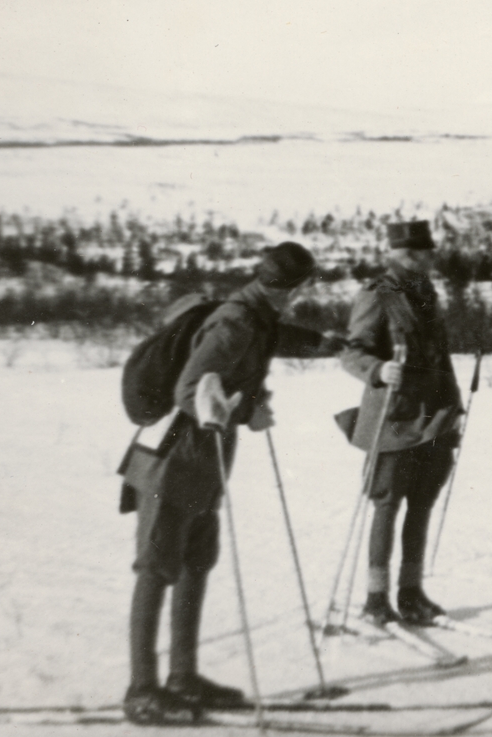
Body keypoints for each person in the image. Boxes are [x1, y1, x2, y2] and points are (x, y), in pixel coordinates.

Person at [118, 242, 331, 724]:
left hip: (204, 457)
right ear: (292, 286)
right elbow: (190, 389)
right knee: (158, 565)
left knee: (196, 560)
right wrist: (242, 409)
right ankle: (141, 690)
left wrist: (248, 402)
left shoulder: (258, 316)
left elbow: (269, 348)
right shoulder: (235, 322)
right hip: (173, 456)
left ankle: (182, 676)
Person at [340, 220, 463, 626]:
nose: (431, 259)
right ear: (407, 255)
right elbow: (351, 352)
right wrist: (378, 369)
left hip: (430, 416)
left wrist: (453, 409)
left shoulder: (426, 292)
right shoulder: (378, 294)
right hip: (392, 417)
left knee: (422, 504)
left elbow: (440, 357)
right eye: (425, 253)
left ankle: (411, 593)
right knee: (387, 506)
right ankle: (376, 599)